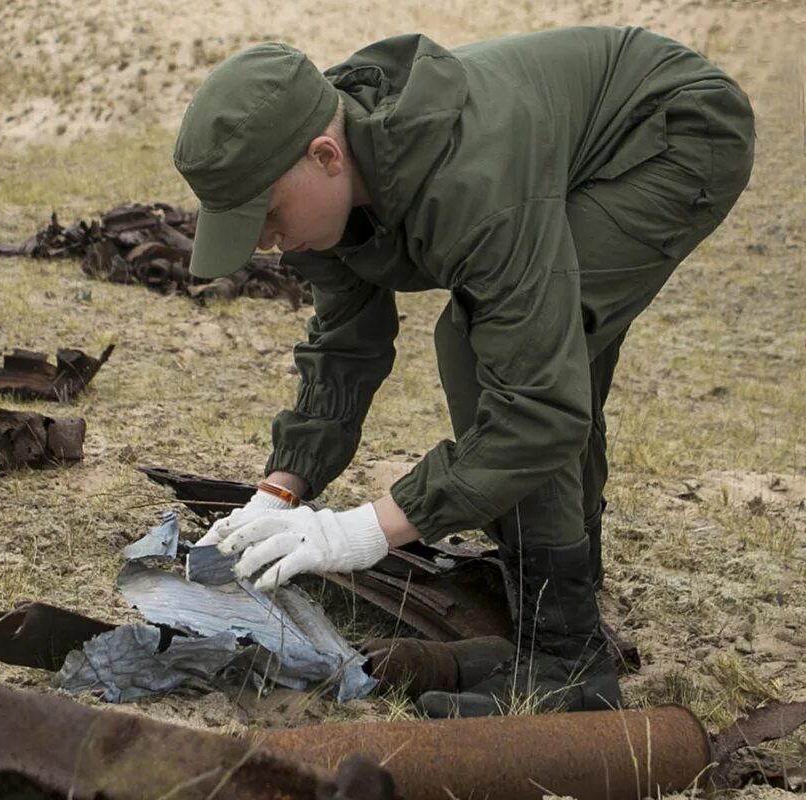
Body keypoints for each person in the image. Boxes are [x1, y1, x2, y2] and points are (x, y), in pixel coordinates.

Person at [174, 26, 755, 716]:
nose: (265, 242)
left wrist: (358, 532)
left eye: (265, 215)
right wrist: (279, 493)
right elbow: (345, 342)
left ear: (326, 155)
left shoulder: (467, 179)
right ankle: (557, 624)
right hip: (558, 156)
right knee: (526, 346)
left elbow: (537, 406)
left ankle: (567, 663)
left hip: (668, 132)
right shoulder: (313, 172)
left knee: (494, 352)